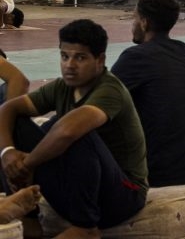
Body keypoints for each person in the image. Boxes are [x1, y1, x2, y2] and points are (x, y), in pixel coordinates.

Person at [0, 19, 148, 238]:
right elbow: (7, 109)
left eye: (80, 58)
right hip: (78, 186)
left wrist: (27, 165)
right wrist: (8, 154)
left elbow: (68, 131)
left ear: (100, 60)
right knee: (17, 123)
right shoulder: (63, 87)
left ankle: (85, 228)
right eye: (64, 56)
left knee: (77, 130)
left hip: (123, 195)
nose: (69, 65)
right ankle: (29, 220)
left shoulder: (110, 89)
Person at [111, 0, 185, 186]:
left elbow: (99, 99)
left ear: (144, 23)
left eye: (134, 18)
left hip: (161, 174)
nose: (132, 24)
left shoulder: (136, 57)